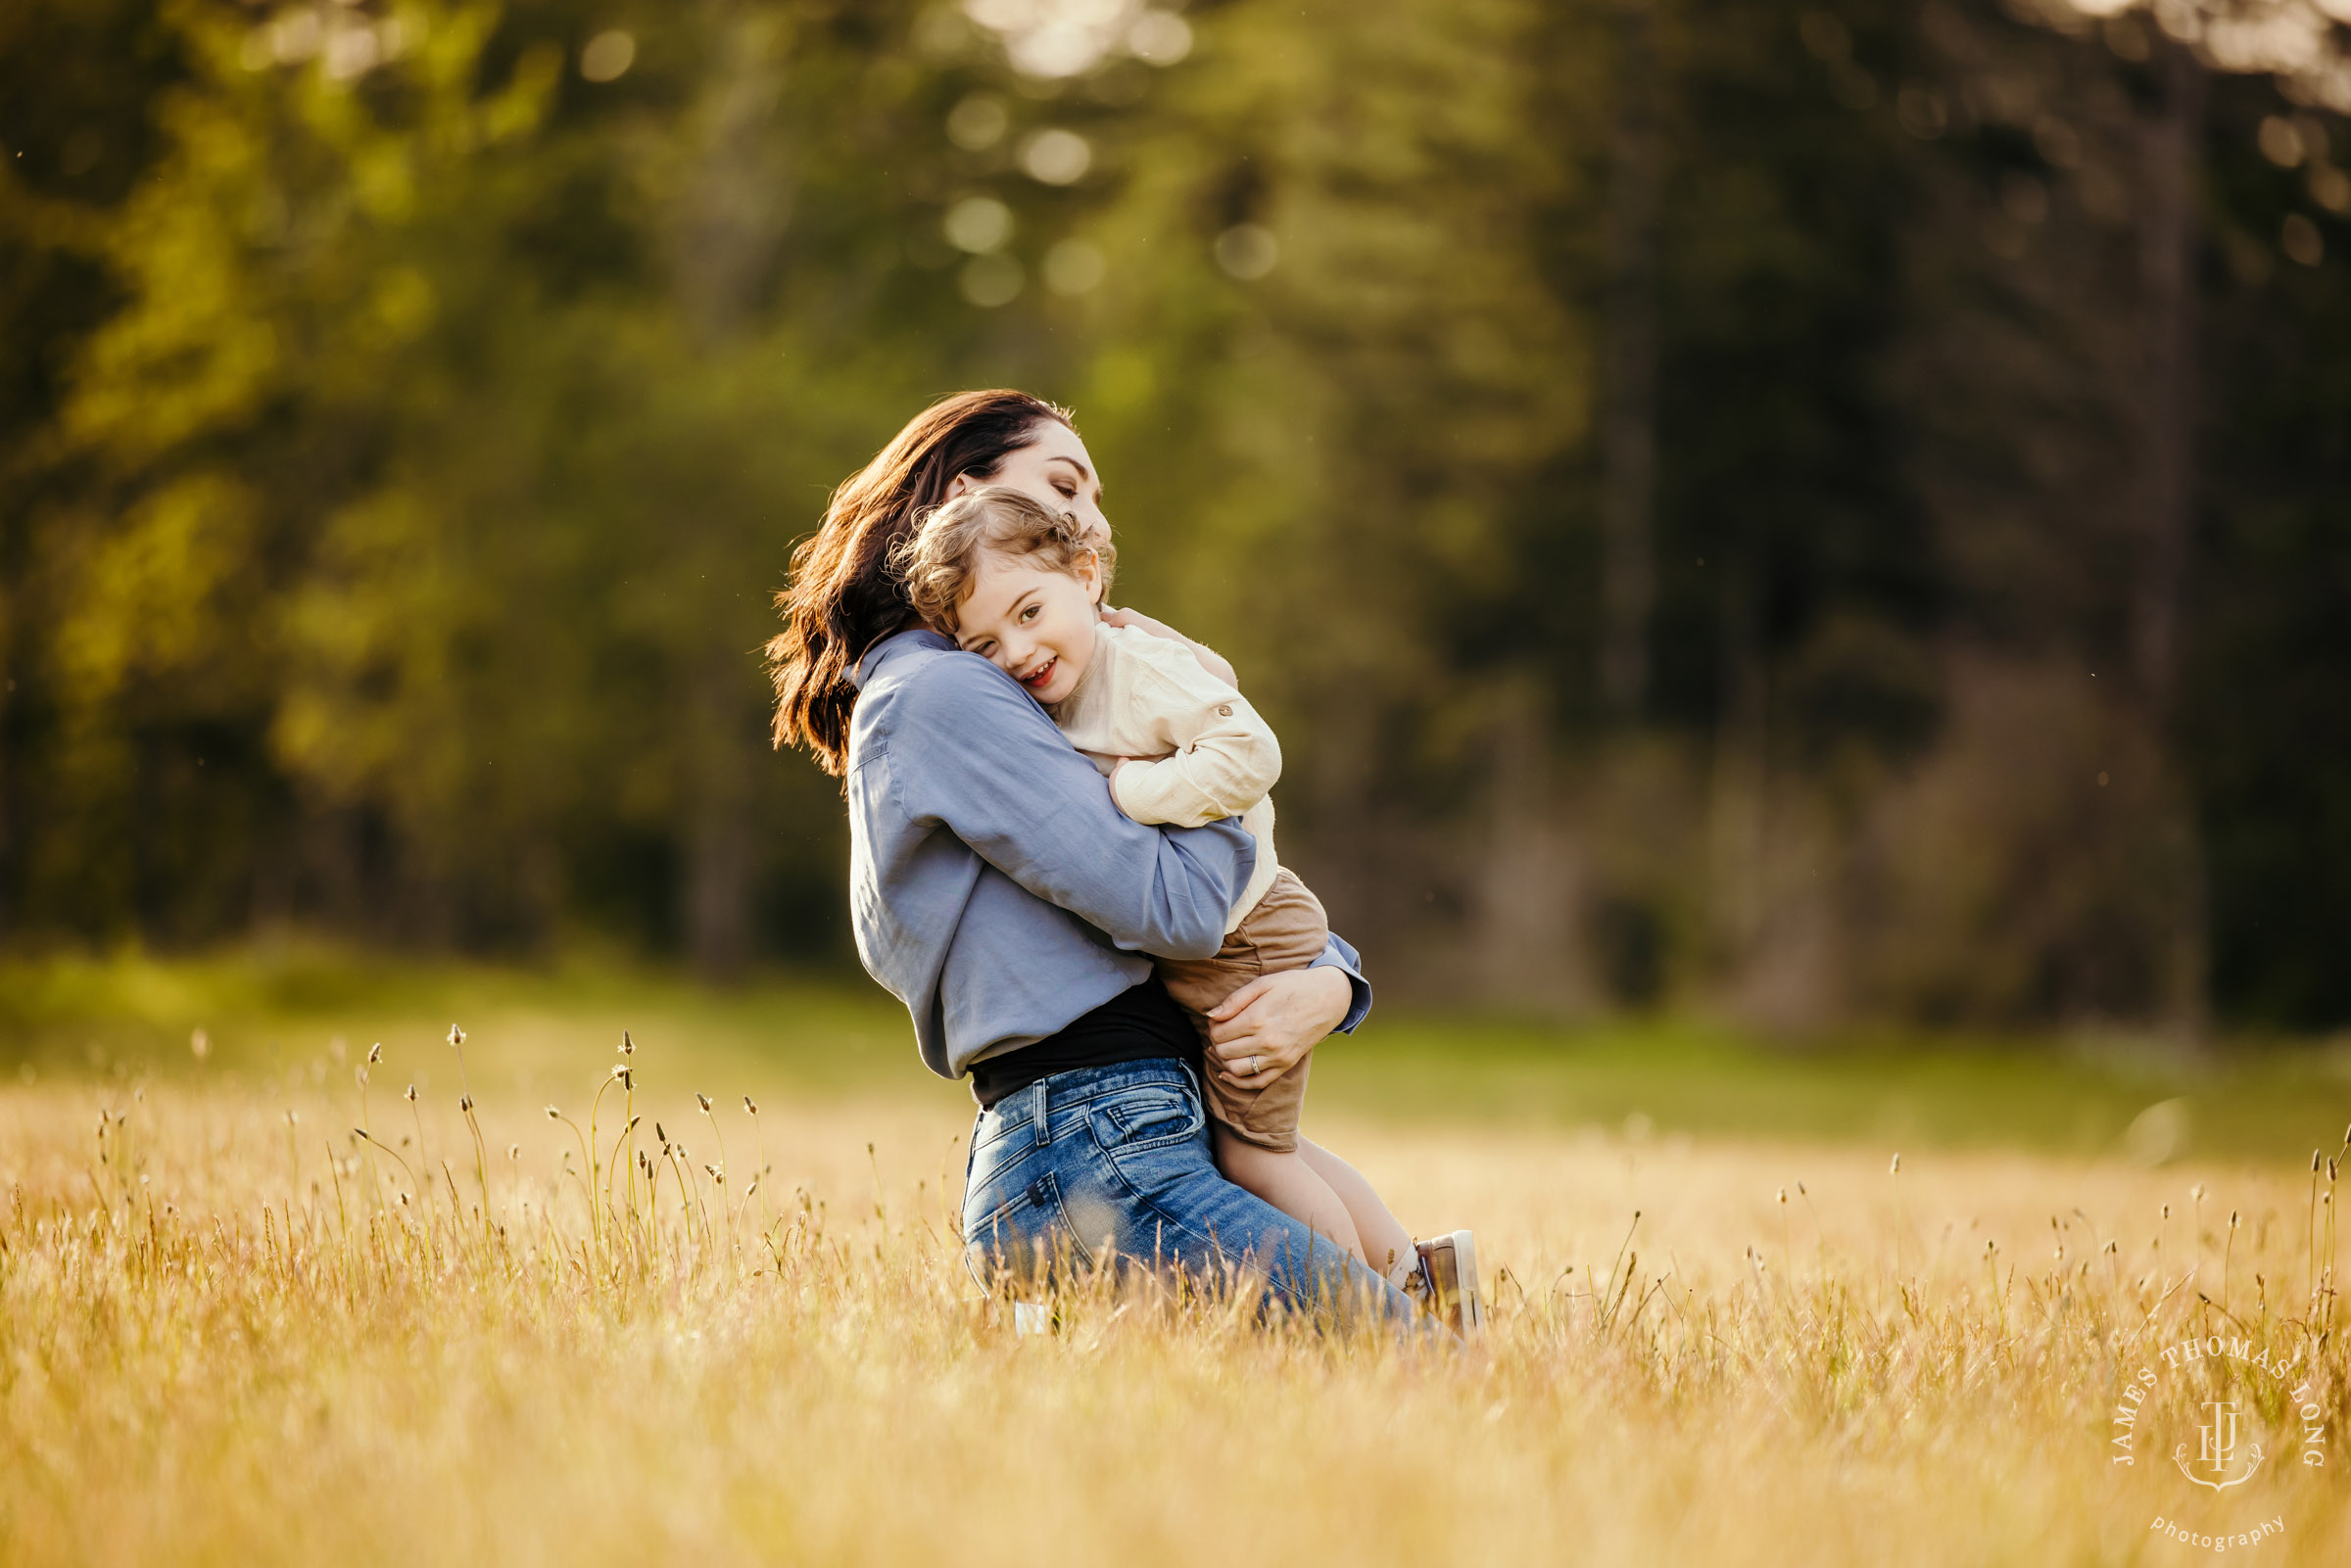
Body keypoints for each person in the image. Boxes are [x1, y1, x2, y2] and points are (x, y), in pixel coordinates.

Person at [764, 389, 1479, 1336]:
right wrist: (1199, 765)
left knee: (1363, 1400)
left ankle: (1415, 1283)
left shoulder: (1032, 684)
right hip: (1089, 1139)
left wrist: (1331, 980)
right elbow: (1180, 905)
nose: (1091, 519)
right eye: (1063, 486)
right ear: (965, 496)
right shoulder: (941, 693)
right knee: (1413, 1365)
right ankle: (1410, 1292)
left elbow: (1200, 912)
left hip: (1124, 1126)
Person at [893, 484, 1439, 1292]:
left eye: (1030, 612)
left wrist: (1134, 795)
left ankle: (1361, 1302)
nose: (1015, 650)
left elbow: (1251, 752)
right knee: (1250, 1143)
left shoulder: (1135, 668)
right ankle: (1420, 1280)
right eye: (984, 644)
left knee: (1258, 1156)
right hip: (1230, 936)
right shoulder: (1056, 687)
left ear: (1088, 576)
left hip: (1249, 932)